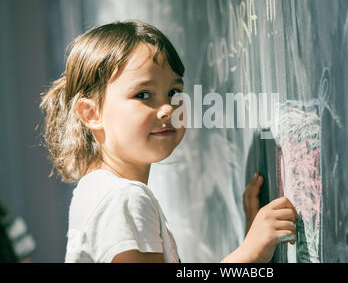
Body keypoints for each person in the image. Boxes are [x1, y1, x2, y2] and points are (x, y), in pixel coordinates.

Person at [39, 20, 298, 263]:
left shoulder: (95, 191)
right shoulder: (124, 200)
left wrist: (249, 242)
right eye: (143, 94)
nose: (167, 108)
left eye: (174, 92)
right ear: (91, 114)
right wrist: (247, 253)